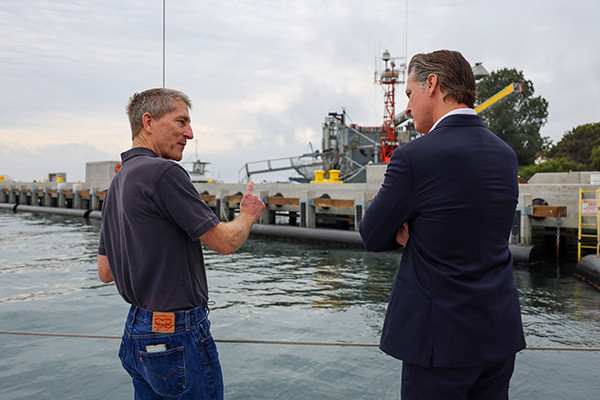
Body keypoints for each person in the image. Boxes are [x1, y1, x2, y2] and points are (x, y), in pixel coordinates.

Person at [360, 50, 525, 399]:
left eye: (409, 94)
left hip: (440, 342)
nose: (407, 107)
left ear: (431, 84)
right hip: (498, 333)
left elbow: (372, 234)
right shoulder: (505, 155)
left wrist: (412, 234)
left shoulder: (414, 157)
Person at [97, 88, 265, 400]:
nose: (189, 132)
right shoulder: (163, 172)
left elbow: (105, 271)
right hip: (176, 333)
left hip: (137, 331)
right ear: (148, 122)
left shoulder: (118, 182)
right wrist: (247, 215)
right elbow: (225, 242)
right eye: (181, 122)